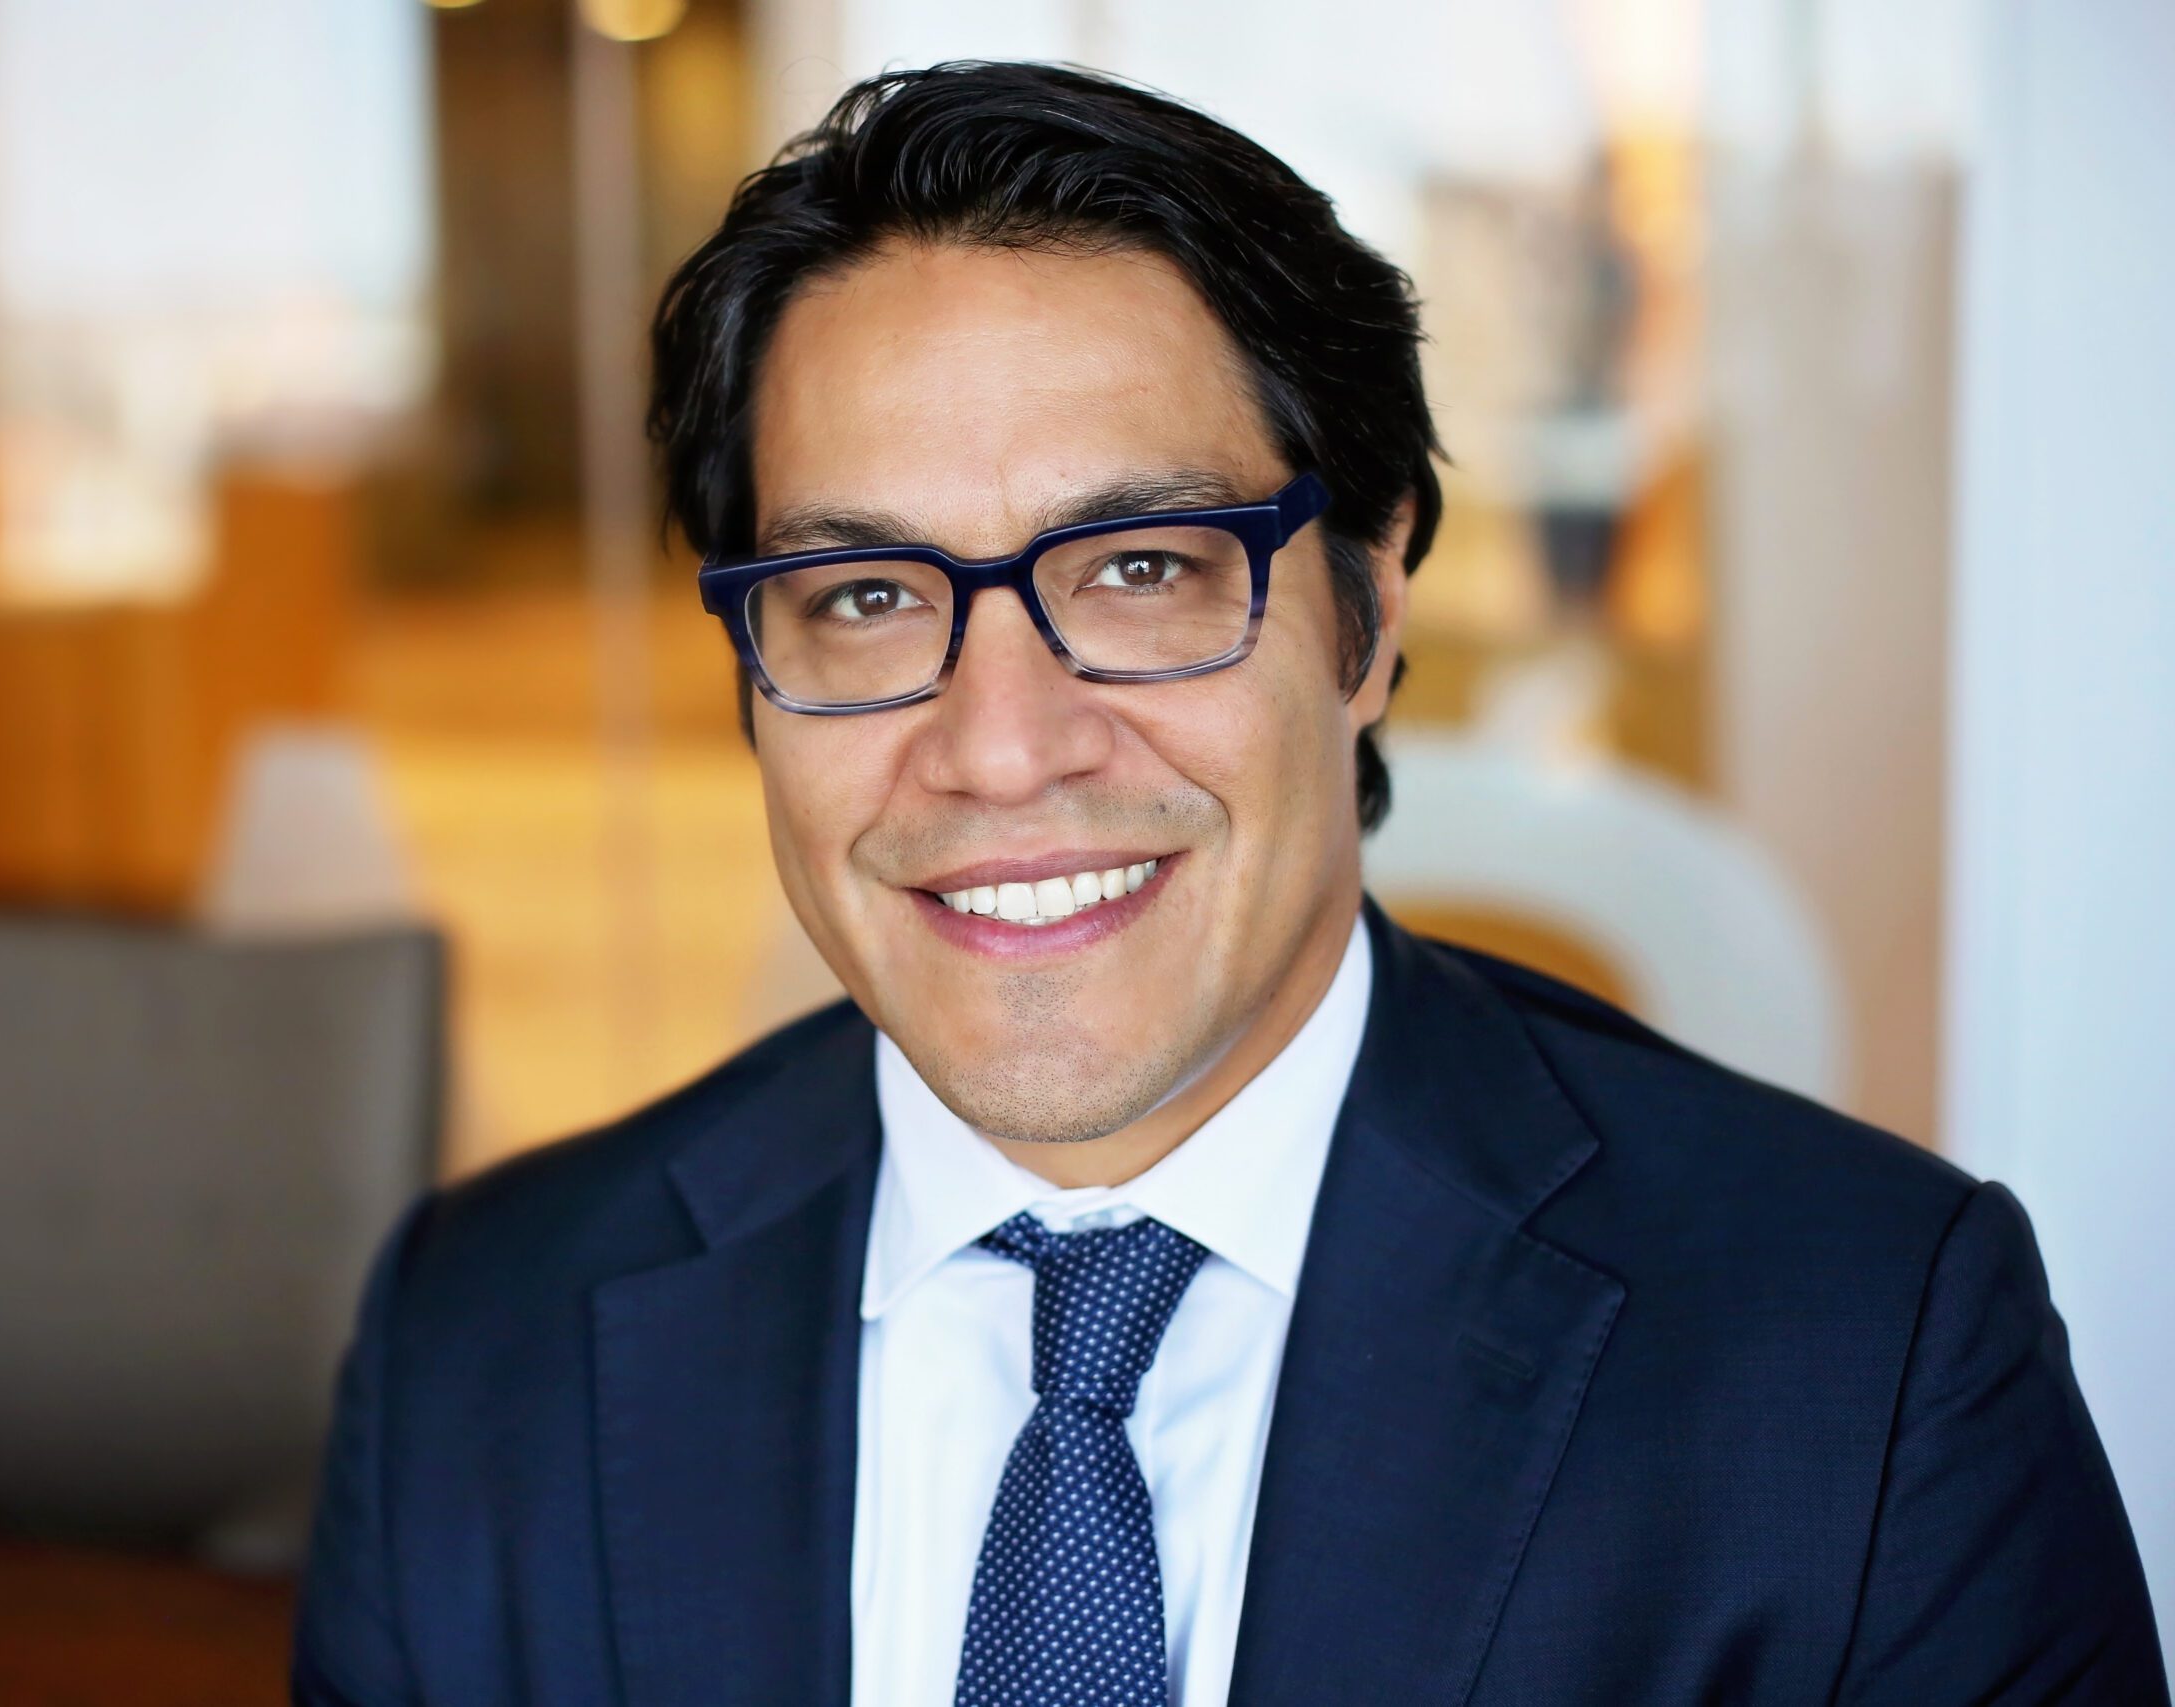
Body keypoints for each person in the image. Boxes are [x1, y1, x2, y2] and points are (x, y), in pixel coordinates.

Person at [293, 61, 2165, 1707]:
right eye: (865, 600)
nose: (1002, 747)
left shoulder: (1868, 1366)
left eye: (1139, 572)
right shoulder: (484, 1345)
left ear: (1367, 607)